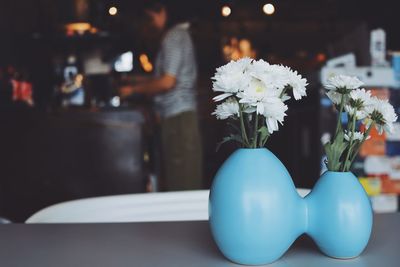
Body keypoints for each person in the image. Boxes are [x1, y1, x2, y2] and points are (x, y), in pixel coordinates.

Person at [119, 1, 203, 191]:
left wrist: (133, 90)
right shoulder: (181, 35)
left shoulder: (174, 36)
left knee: (181, 183)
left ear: (163, 12)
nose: (151, 23)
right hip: (180, 117)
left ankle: (182, 222)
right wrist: (137, 83)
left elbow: (167, 82)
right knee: (183, 180)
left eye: (151, 17)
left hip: (178, 118)